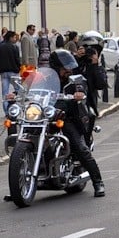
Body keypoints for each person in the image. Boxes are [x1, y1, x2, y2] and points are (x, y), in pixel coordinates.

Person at [28, 50, 105, 197]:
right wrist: (18, 93)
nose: (68, 71)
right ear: (56, 67)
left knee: (79, 147)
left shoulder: (74, 79)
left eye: (68, 68)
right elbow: (31, 88)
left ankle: (98, 182)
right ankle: (20, 186)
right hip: (46, 115)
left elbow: (81, 85)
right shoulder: (46, 78)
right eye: (64, 68)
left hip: (67, 117)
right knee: (31, 137)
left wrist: (80, 92)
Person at [0, 30, 21, 111]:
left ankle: (6, 111)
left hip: (3, 72)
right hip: (13, 71)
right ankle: (17, 109)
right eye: (14, 37)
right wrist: (19, 68)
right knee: (18, 91)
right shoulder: (14, 47)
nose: (15, 39)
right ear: (10, 38)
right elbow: (17, 60)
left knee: (5, 93)